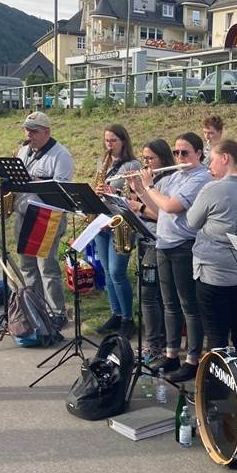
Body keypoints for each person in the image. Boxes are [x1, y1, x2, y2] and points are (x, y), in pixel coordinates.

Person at [132, 132, 211, 383]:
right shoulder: (176, 176)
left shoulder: (201, 178)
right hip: (164, 243)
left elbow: (171, 206)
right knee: (169, 304)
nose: (178, 157)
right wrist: (139, 189)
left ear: (198, 154)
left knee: (189, 304)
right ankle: (171, 354)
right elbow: (155, 209)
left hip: (184, 245)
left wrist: (150, 187)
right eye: (176, 152)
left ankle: (192, 359)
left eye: (184, 152)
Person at [187, 140, 237, 351]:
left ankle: (217, 381)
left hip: (214, 273)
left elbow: (192, 221)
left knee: (216, 336)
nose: (209, 166)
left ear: (225, 158)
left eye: (212, 160)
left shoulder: (213, 189)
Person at [14, 111, 74, 327]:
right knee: (27, 265)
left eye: (34, 131)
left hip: (46, 217)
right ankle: (34, 307)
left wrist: (34, 180)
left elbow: (61, 190)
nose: (29, 135)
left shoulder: (61, 155)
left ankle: (57, 312)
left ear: (47, 132)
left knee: (47, 267)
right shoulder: (23, 150)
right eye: (27, 130)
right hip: (23, 214)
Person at [127, 139, 178, 367]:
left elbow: (160, 214)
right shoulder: (154, 180)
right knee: (150, 295)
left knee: (150, 296)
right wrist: (136, 190)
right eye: (144, 158)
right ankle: (156, 342)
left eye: (150, 159)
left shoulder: (167, 180)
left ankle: (155, 344)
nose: (146, 163)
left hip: (160, 241)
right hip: (147, 240)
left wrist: (139, 201)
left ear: (163, 159)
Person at [92, 124, 142, 338]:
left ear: (123, 141)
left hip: (121, 223)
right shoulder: (102, 163)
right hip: (102, 221)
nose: (109, 145)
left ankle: (128, 319)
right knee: (107, 272)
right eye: (106, 140)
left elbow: (136, 196)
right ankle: (116, 314)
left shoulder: (132, 165)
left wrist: (115, 191)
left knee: (117, 272)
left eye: (113, 140)